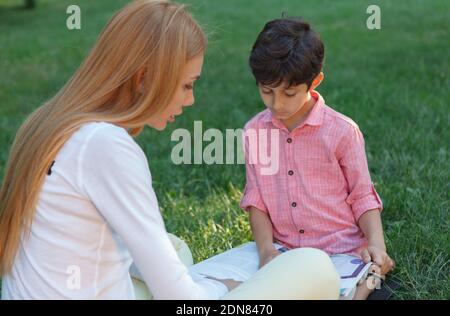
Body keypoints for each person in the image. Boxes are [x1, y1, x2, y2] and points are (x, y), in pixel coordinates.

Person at [0, 1, 340, 300]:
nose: (190, 99)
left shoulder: (47, 122)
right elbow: (180, 298)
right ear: (145, 77)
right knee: (314, 267)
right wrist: (224, 287)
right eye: (186, 85)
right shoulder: (107, 147)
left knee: (173, 247)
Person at [240, 17, 395, 300]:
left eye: (289, 93)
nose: (276, 104)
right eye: (266, 91)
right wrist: (266, 252)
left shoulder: (342, 132)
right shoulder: (254, 131)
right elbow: (256, 200)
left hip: (340, 251)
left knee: (368, 284)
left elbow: (362, 196)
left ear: (315, 81)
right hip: (284, 252)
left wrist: (376, 245)